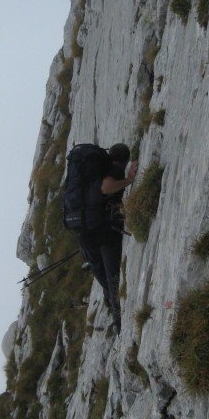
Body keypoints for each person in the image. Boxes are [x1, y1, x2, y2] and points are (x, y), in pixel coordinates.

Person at [79, 143, 138, 334]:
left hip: (85, 234)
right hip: (104, 233)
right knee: (113, 278)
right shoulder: (115, 170)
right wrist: (129, 179)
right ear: (125, 160)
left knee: (104, 277)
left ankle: (112, 304)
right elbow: (106, 188)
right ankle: (120, 323)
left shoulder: (93, 176)